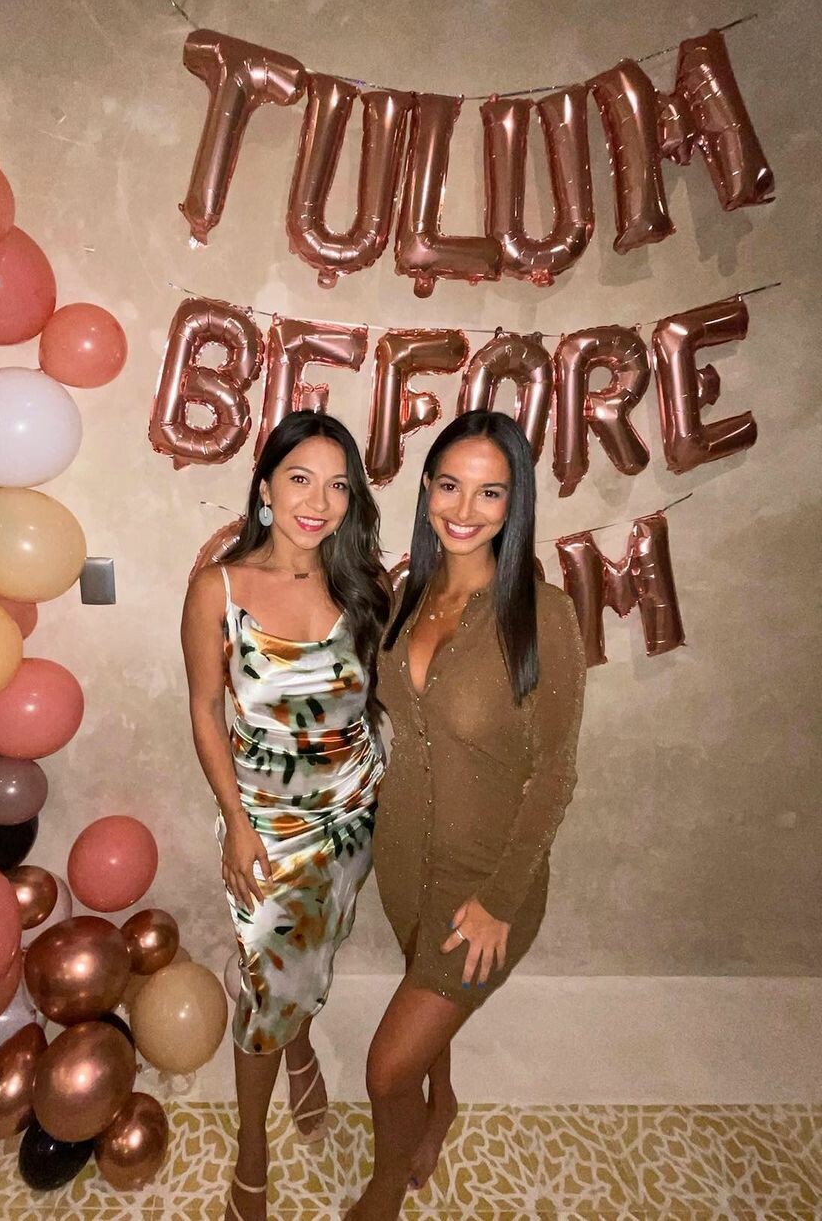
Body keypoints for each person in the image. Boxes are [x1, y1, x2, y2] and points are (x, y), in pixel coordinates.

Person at [346, 411, 587, 1220]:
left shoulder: (542, 614)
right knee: (421, 1010)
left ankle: (385, 1189)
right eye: (450, 485)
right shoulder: (406, 596)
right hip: (402, 863)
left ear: (515, 503)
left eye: (491, 492)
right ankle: (441, 1104)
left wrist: (499, 902)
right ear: (426, 488)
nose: (465, 508)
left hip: (487, 885)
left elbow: (554, 776)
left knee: (386, 1069)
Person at [181, 410, 392, 1221]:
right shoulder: (219, 588)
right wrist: (235, 823)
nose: (319, 501)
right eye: (300, 478)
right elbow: (205, 710)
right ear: (265, 487)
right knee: (270, 986)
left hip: (353, 816)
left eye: (338, 485)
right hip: (267, 827)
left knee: (309, 958)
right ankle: (252, 1154)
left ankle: (300, 1049)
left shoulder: (362, 585)